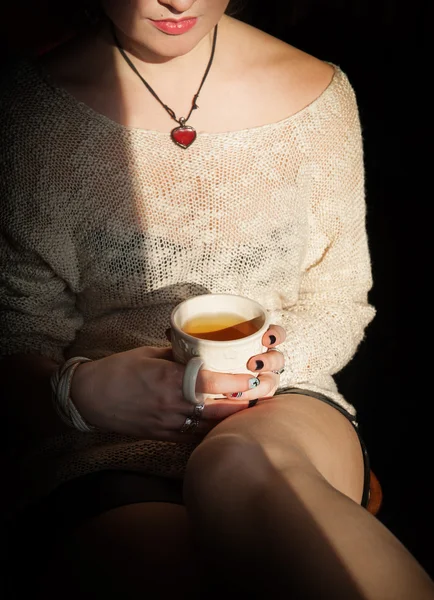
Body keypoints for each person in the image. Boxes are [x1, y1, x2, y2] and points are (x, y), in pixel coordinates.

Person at [1, 1, 433, 598]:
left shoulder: (318, 93)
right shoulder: (28, 113)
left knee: (238, 467)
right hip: (103, 442)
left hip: (284, 409)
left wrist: (267, 370)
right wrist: (79, 393)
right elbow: (14, 337)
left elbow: (339, 295)